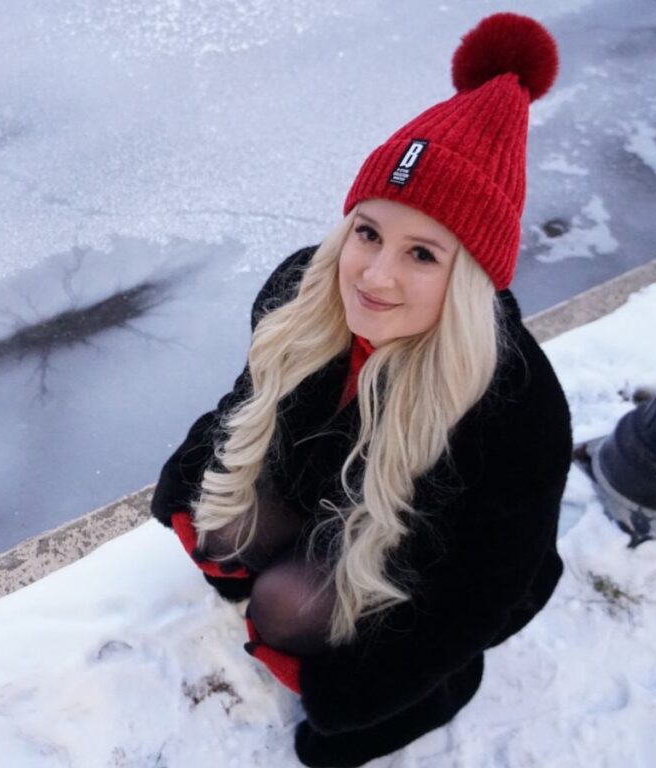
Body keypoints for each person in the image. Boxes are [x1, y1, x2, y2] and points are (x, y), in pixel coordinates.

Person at [151, 12, 572, 767]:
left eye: (422, 253)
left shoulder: (518, 407)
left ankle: (431, 701)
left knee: (287, 608)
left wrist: (364, 694)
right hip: (331, 491)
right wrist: (191, 482)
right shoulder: (300, 290)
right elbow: (243, 406)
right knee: (220, 526)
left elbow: (482, 591)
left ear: (469, 277)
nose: (374, 276)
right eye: (368, 232)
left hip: (431, 562)